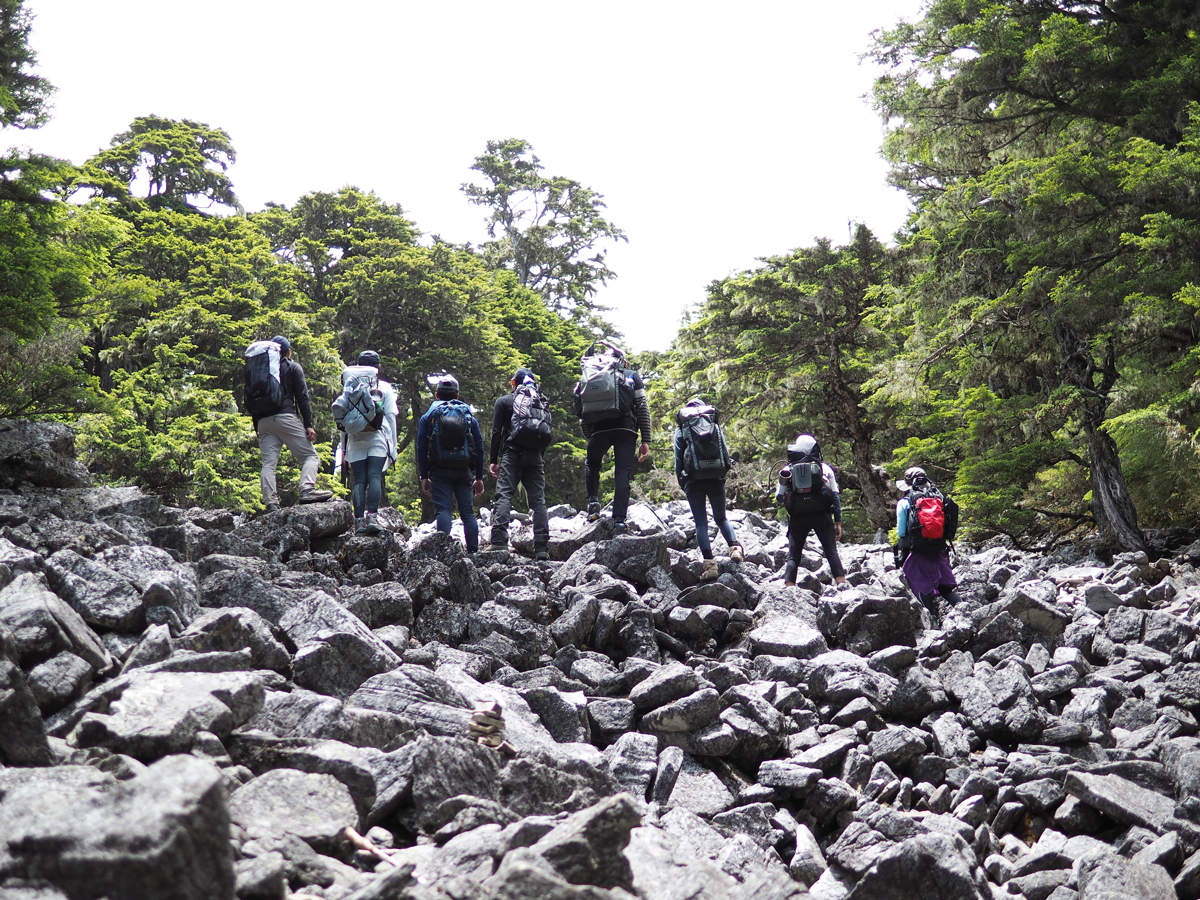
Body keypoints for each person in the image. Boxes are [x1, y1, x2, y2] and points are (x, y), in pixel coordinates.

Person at [246, 335, 332, 511]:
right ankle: (307, 489)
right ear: (287, 352)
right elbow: (302, 397)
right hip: (285, 417)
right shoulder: (292, 367)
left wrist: (257, 426)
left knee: (269, 464)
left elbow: (251, 398)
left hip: (263, 422)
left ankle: (271, 503)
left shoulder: (259, 370)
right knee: (310, 456)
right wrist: (308, 424)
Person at [576, 345, 651, 532]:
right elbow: (642, 407)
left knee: (592, 463)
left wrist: (590, 435)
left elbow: (582, 411)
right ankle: (619, 520)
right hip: (626, 430)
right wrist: (645, 440)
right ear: (622, 361)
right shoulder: (632, 375)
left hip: (599, 430)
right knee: (622, 472)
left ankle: (593, 505)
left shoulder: (589, 376)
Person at [674, 398, 743, 581]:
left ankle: (710, 566)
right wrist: (721, 475)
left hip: (693, 480)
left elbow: (678, 460)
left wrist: (684, 483)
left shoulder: (682, 429)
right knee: (721, 518)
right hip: (716, 477)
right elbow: (725, 453)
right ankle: (735, 548)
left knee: (701, 524)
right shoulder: (714, 426)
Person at [487, 367, 550, 560]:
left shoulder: (504, 401)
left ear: (514, 383)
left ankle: (499, 542)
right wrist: (539, 455)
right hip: (536, 456)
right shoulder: (540, 402)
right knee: (538, 501)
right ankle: (541, 549)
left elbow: (497, 433)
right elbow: (545, 431)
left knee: (504, 496)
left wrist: (493, 460)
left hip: (512, 454)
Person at [417, 375, 485, 552]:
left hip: (440, 470)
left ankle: (442, 552)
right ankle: (473, 552)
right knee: (468, 513)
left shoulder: (428, 417)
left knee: (443, 511)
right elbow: (479, 447)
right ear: (457, 395)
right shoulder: (468, 416)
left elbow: (422, 448)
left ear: (437, 395)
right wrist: (478, 477)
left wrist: (425, 476)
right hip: (464, 470)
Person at [776, 434, 847, 588]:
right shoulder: (825, 468)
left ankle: (789, 588)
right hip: (822, 516)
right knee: (831, 552)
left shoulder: (787, 469)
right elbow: (835, 497)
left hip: (798, 518)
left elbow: (779, 498)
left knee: (793, 556)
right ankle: (842, 584)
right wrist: (838, 522)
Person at [339, 351, 399, 535]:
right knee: (374, 476)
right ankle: (372, 517)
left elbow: (343, 421)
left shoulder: (349, 387)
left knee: (359, 480)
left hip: (355, 439)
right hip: (377, 438)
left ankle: (358, 523)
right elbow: (390, 419)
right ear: (377, 369)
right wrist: (393, 448)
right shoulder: (385, 388)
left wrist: (343, 451)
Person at [895, 466, 960, 622]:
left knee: (922, 585)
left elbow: (901, 532)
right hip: (939, 548)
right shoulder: (939, 498)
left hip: (917, 550)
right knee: (944, 587)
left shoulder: (905, 502)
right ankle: (964, 611)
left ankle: (931, 622)